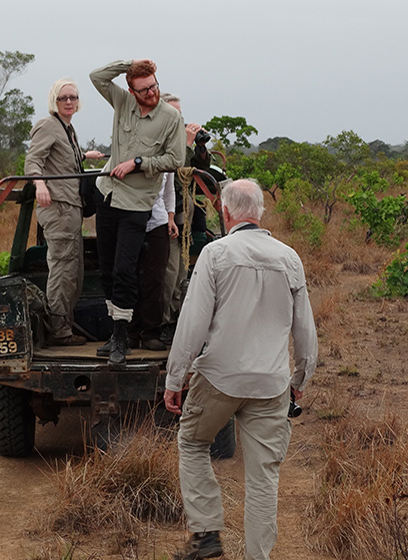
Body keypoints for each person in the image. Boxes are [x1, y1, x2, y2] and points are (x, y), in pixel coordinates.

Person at [164, 180, 318, 560]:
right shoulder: (290, 258)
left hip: (219, 377)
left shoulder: (216, 254)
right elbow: (306, 331)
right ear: (261, 211)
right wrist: (299, 380)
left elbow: (192, 325)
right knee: (263, 477)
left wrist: (175, 378)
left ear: (225, 212)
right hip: (271, 383)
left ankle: (206, 534)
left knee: (193, 442)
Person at [89, 59, 186, 364]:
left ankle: (122, 337)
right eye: (143, 89)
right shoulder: (122, 102)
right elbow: (97, 76)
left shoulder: (170, 118)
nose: (151, 93)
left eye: (154, 86)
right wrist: (129, 64)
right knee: (106, 270)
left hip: (137, 203)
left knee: (124, 270)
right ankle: (115, 335)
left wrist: (139, 163)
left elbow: (175, 159)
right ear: (131, 90)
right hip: (107, 195)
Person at [24, 78, 104, 346]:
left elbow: (62, 157)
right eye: (63, 98)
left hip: (71, 207)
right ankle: (59, 331)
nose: (69, 102)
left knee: (74, 271)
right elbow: (33, 159)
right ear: (54, 101)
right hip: (57, 206)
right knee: (63, 269)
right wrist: (39, 185)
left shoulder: (68, 128)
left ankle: (64, 326)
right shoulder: (48, 125)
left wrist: (83, 156)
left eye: (73, 97)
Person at [157, 93, 217, 346]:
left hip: (184, 213)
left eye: (180, 115)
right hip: (165, 213)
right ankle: (165, 322)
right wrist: (188, 143)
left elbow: (202, 167)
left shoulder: (179, 138)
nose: (178, 119)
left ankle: (179, 319)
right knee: (171, 270)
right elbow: (175, 167)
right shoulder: (159, 137)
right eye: (173, 114)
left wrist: (200, 147)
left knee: (182, 269)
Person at [128, 167, 178, 350]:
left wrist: (170, 218)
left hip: (158, 221)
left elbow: (169, 191)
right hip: (130, 218)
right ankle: (129, 332)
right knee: (128, 276)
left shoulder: (166, 159)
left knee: (156, 279)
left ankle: (151, 332)